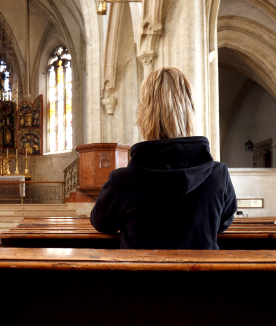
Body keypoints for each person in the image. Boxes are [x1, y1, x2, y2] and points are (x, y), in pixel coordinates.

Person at [90, 67, 237, 249]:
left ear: (144, 115)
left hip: (140, 276)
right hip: (200, 276)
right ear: (189, 112)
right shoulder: (218, 175)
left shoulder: (122, 181)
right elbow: (223, 223)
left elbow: (102, 223)